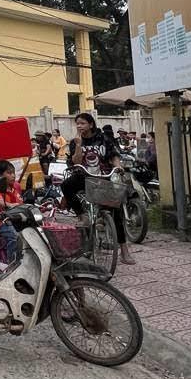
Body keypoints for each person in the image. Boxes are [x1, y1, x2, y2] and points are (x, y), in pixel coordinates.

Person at [62, 112, 134, 265]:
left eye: (82, 123)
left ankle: (124, 251)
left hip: (103, 177)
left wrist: (118, 166)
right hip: (83, 177)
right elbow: (76, 162)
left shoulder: (103, 138)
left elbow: (113, 155)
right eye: (77, 124)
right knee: (66, 185)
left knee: (116, 213)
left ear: (91, 124)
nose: (79, 126)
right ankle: (82, 215)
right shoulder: (75, 141)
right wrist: (79, 145)